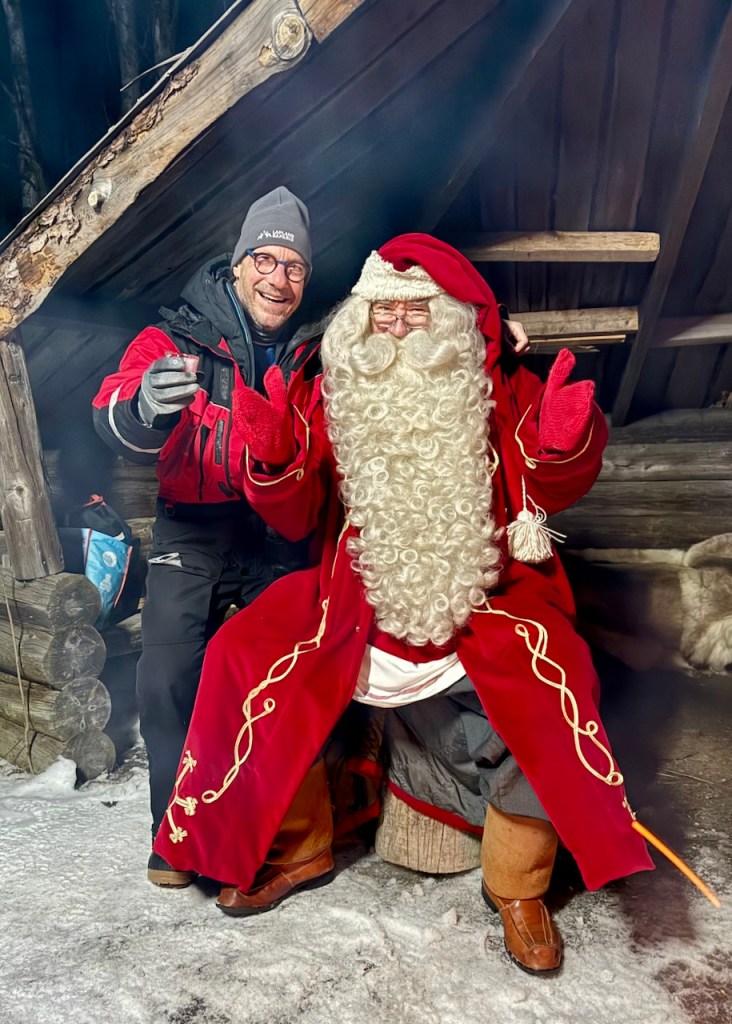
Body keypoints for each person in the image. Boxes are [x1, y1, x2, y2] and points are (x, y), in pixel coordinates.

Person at [152, 233, 655, 974]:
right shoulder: (333, 388)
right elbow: (295, 515)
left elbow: (549, 484)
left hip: (481, 591)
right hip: (353, 593)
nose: (395, 327)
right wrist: (272, 462)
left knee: (556, 675)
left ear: (450, 316)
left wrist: (567, 442)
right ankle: (301, 848)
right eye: (381, 313)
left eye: (415, 311)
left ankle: (518, 887)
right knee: (245, 653)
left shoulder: (498, 383)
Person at [92, 186, 320, 886]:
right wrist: (144, 405)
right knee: (166, 672)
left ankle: (264, 825)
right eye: (265, 259)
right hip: (191, 526)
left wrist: (493, 332)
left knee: (283, 673)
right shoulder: (177, 336)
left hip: (281, 533)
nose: (277, 279)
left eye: (294, 267)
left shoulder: (317, 351)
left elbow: (411, 326)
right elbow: (112, 408)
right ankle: (175, 830)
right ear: (238, 260)